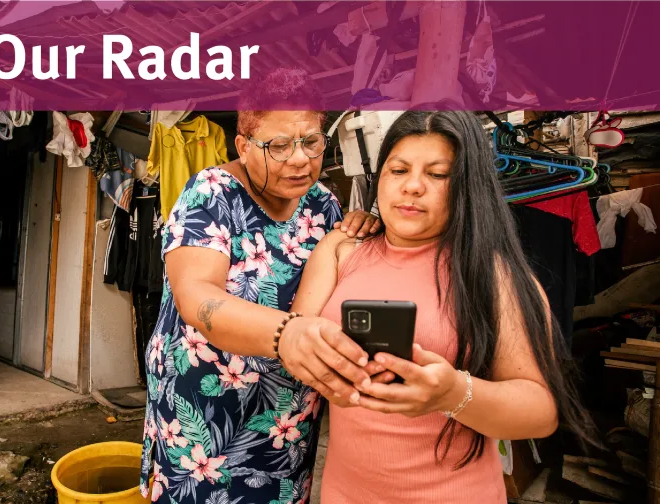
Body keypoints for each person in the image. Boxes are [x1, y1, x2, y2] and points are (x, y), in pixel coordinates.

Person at [289, 110, 597, 503]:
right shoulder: (341, 249)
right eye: (398, 170)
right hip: (346, 492)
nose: (412, 187)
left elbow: (540, 413)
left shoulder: (490, 272)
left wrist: (453, 393)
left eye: (437, 175)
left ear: (468, 187)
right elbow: (295, 340)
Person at [138, 68, 379, 504]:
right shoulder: (210, 194)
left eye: (311, 141)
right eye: (279, 146)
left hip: (285, 426)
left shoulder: (323, 203)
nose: (300, 159)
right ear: (244, 147)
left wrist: (362, 231)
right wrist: (287, 334)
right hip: (202, 427)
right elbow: (198, 297)